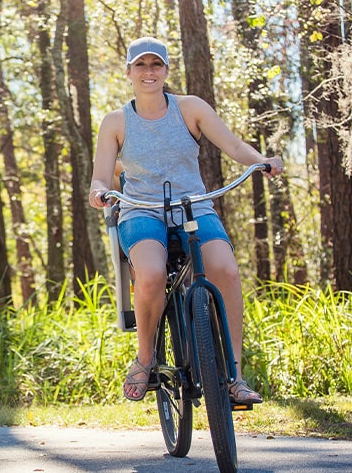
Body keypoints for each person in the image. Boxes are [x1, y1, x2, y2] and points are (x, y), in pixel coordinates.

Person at [88, 37, 283, 404]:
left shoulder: (190, 108)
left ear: (166, 70)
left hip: (193, 206)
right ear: (128, 72)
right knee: (151, 275)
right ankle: (145, 359)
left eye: (156, 65)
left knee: (225, 269)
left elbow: (235, 146)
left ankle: (235, 376)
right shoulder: (116, 122)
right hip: (141, 210)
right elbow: (101, 175)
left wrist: (261, 160)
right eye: (141, 65)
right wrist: (99, 191)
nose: (149, 72)